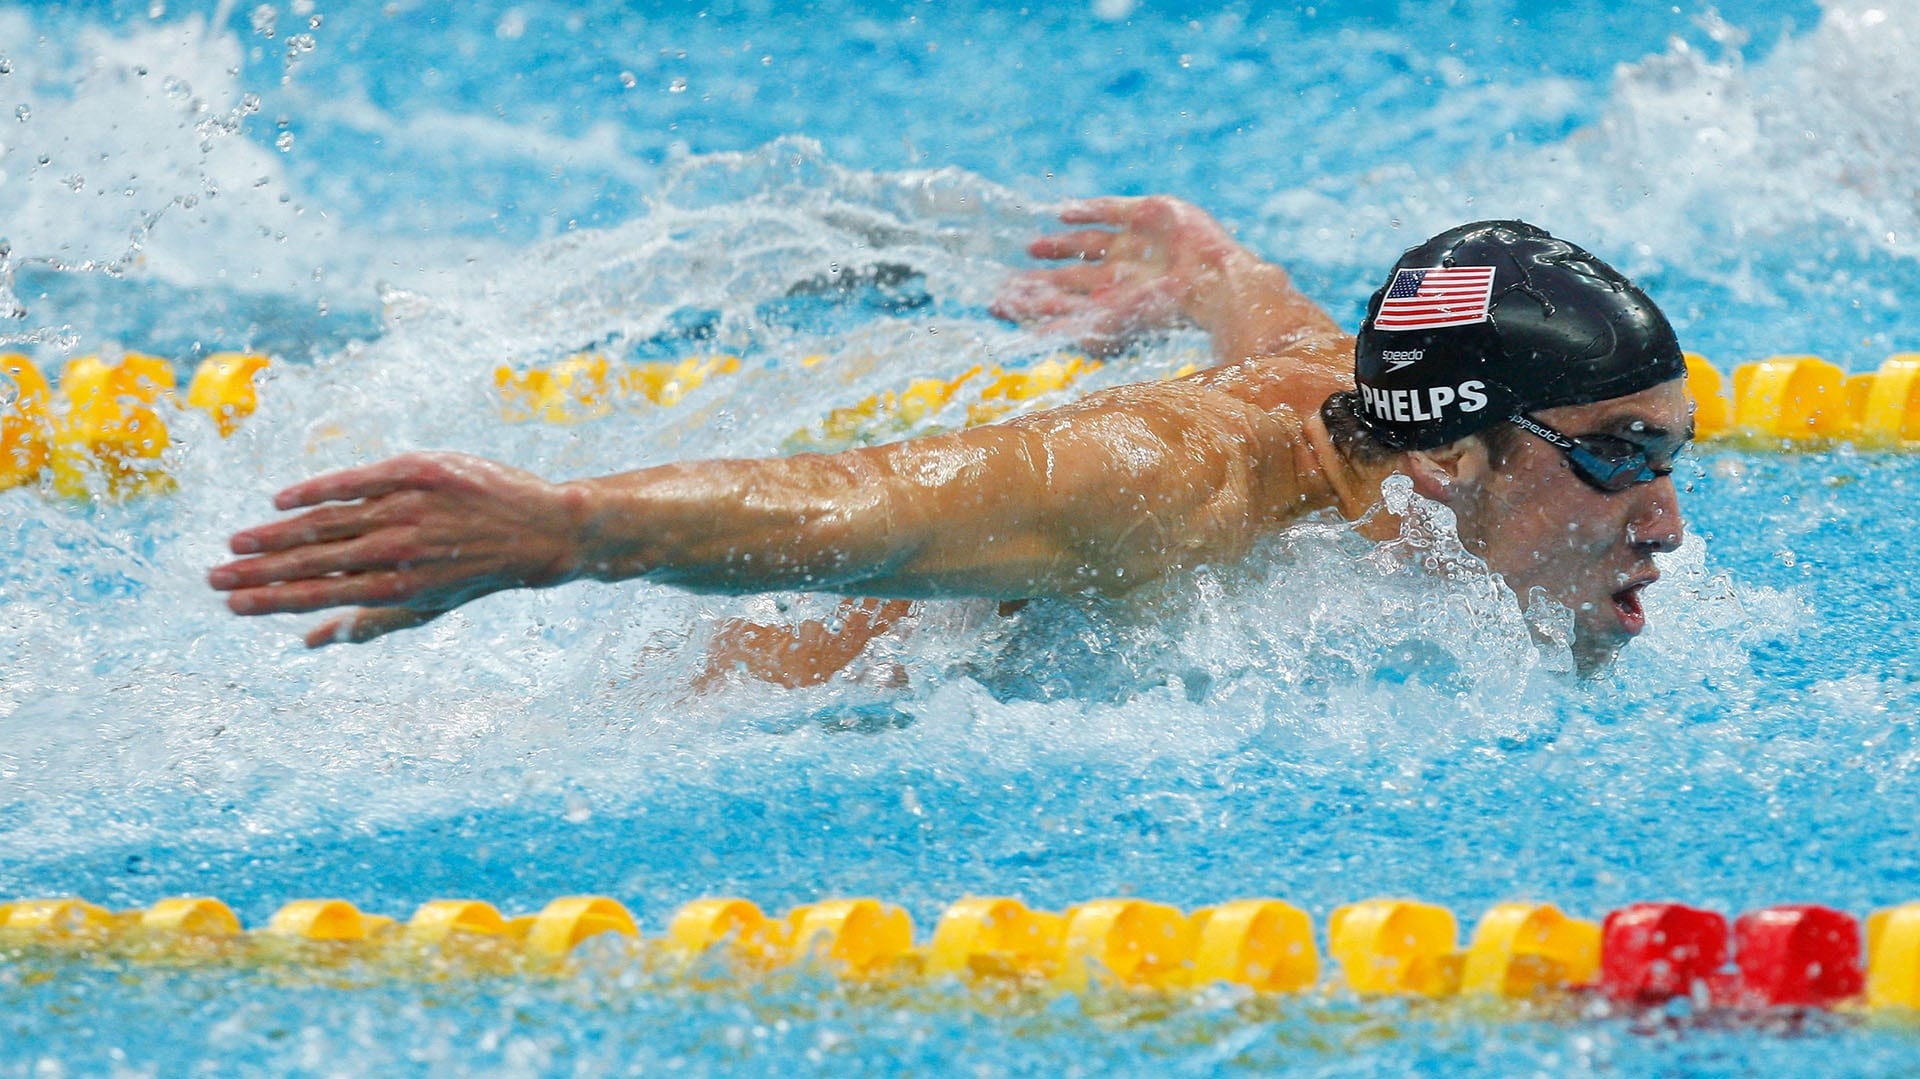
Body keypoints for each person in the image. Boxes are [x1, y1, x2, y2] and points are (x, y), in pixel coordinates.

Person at [208, 196, 1690, 676]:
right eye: (1619, 454)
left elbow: (1293, 332)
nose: (1667, 522)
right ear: (1456, 452)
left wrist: (1209, 270)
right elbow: (876, 500)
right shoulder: (1171, 481)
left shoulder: (1373, 411)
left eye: (1674, 454)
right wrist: (571, 532)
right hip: (749, 709)